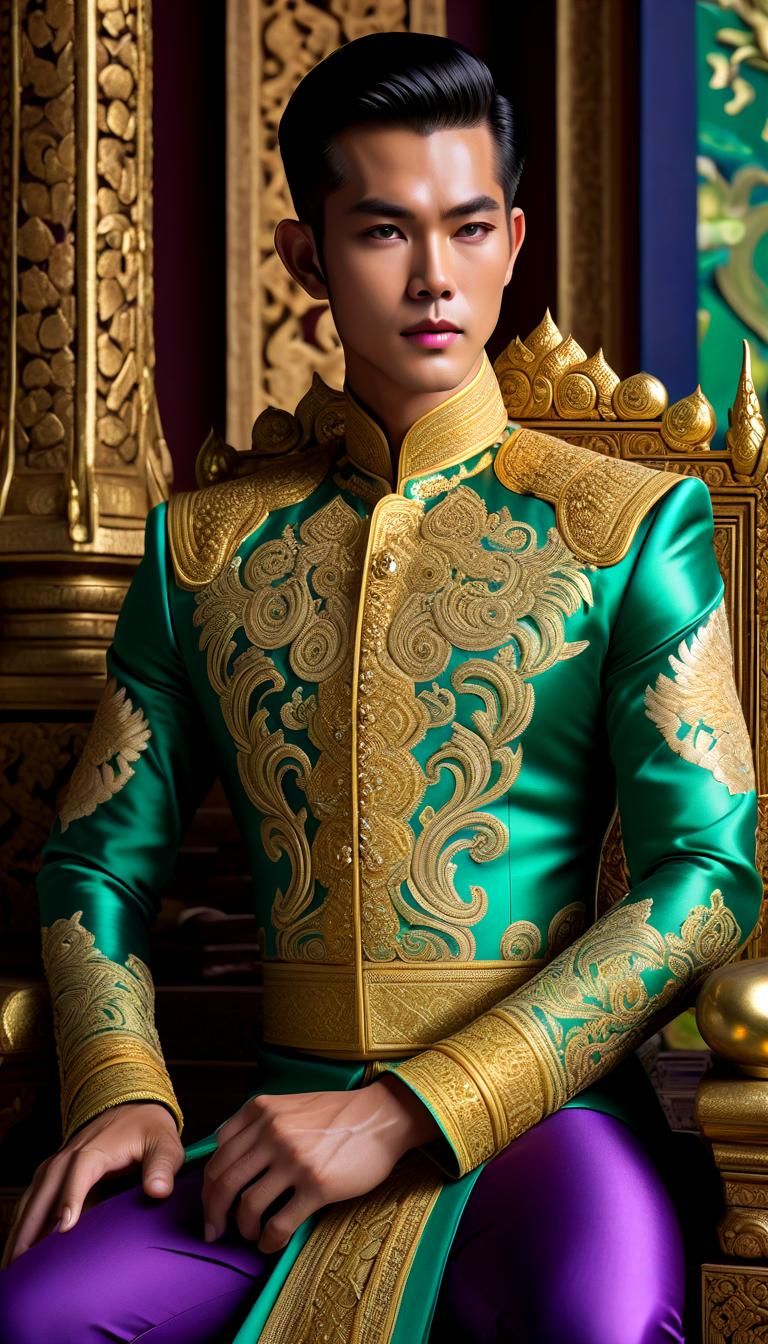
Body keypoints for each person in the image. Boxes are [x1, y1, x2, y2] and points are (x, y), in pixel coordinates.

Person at [0, 30, 761, 1344]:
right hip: (263, 1132)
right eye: (382, 233)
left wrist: (413, 1107)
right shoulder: (206, 548)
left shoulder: (629, 529)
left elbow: (709, 882)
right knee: (46, 1314)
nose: (433, 280)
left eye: (468, 230)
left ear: (514, 239)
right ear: (307, 258)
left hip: (548, 1122)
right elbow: (94, 868)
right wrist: (120, 1085)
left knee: (602, 1322)